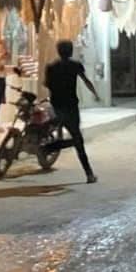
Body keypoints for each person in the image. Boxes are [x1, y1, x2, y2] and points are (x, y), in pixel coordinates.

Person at [44, 39, 99, 184]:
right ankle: (89, 174)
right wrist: (95, 93)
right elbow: (86, 80)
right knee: (77, 139)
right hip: (71, 107)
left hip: (56, 105)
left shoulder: (51, 67)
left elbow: (46, 84)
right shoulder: (75, 65)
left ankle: (50, 147)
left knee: (71, 135)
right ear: (71, 51)